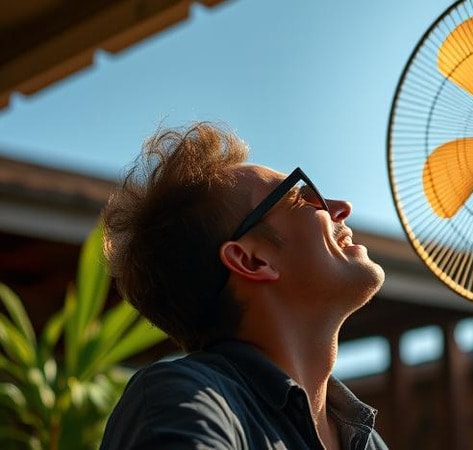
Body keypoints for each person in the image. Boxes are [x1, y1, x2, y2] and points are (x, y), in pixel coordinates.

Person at [99, 123, 388, 450]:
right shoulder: (185, 399)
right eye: (299, 195)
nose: (341, 206)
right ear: (251, 260)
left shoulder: (367, 441)